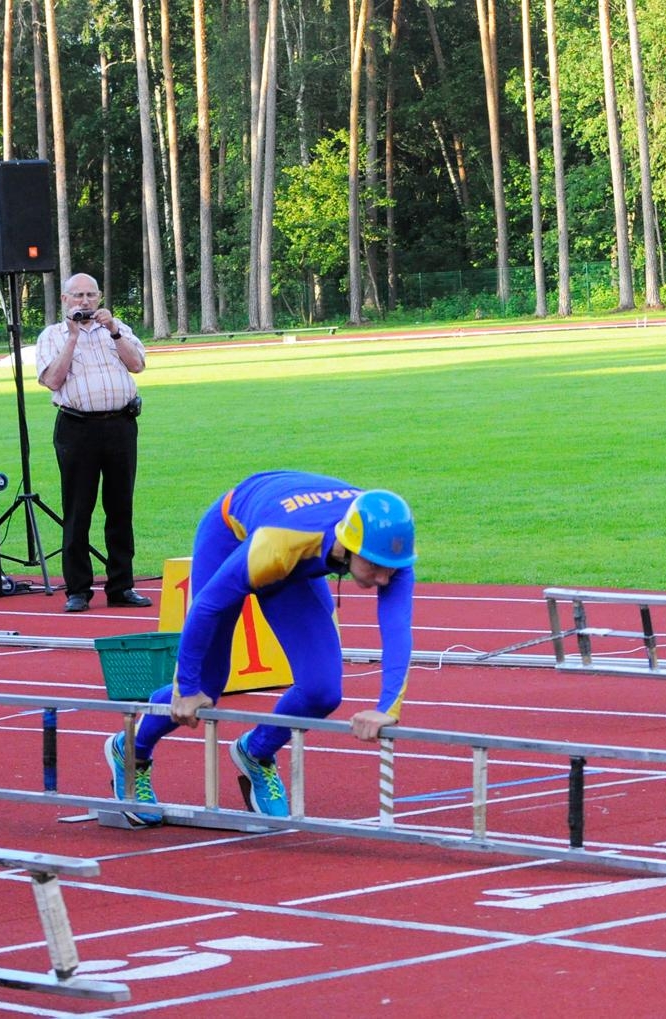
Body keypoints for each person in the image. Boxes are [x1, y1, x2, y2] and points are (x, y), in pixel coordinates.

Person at [104, 471, 417, 823]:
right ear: (347, 544)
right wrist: (185, 688)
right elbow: (206, 607)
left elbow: (397, 627)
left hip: (292, 550)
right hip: (232, 537)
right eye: (375, 567)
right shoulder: (280, 543)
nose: (384, 579)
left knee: (322, 691)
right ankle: (132, 752)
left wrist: (388, 706)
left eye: (391, 570)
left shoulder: (390, 551)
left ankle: (257, 751)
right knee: (207, 687)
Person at [34, 273, 150, 613]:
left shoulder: (117, 328)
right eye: (78, 295)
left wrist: (113, 330)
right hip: (77, 428)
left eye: (90, 295)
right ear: (65, 300)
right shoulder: (52, 335)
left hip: (120, 425)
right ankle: (79, 590)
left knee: (120, 508)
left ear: (99, 298)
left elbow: (138, 365)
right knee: (78, 510)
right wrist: (72, 337)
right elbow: (53, 379)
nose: (84, 301)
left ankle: (121, 586)